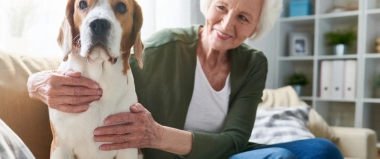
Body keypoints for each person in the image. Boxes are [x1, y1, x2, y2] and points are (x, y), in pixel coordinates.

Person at [27, 0, 344, 158]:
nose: (227, 23)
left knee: (323, 149)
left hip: (223, 154)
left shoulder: (253, 63)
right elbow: (109, 67)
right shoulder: (166, 46)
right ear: (209, 5)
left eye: (244, 17)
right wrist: (37, 82)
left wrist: (156, 135)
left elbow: (235, 140)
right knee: (283, 157)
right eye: (222, 6)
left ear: (256, 28)